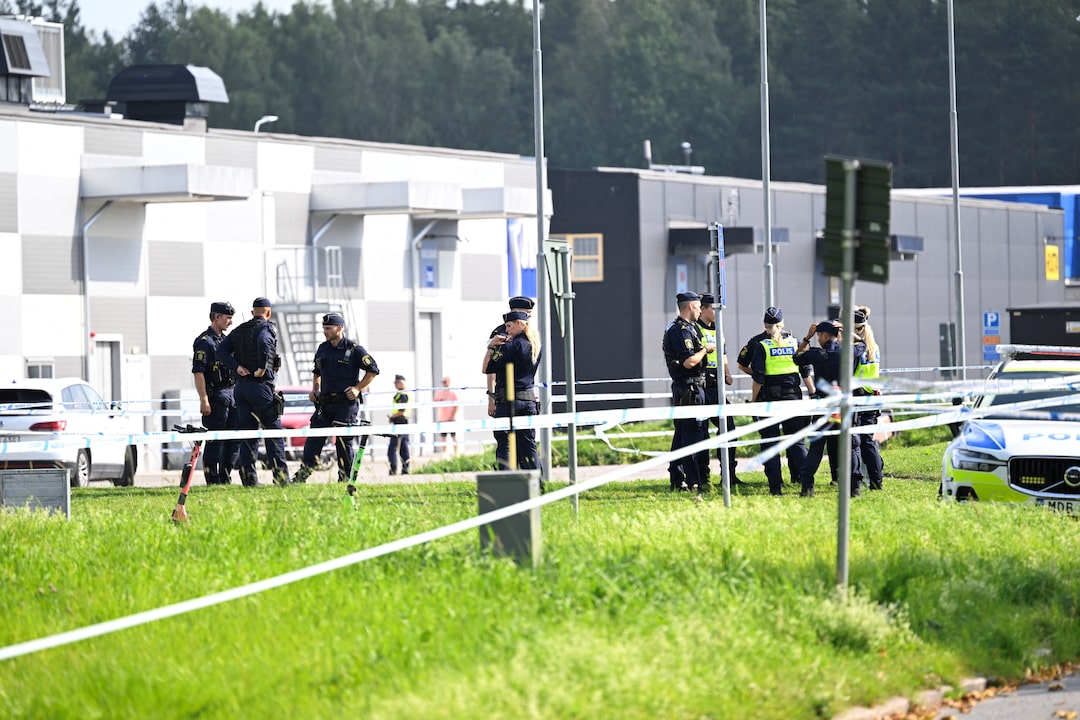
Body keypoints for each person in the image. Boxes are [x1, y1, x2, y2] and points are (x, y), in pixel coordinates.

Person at [290, 313, 380, 484]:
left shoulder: (354, 349)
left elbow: (373, 370)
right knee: (314, 439)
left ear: (339, 328)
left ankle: (345, 479)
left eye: (328, 328)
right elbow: (317, 372)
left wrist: (358, 388)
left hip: (345, 404)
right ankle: (302, 477)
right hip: (325, 403)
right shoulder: (323, 348)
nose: (325, 331)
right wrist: (315, 390)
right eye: (324, 328)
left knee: (344, 442)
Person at [216, 297, 289, 487]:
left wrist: (236, 366)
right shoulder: (267, 328)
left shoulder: (239, 329)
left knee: (248, 435)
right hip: (260, 386)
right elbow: (264, 342)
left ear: (252, 312)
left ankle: (249, 480)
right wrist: (263, 368)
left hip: (240, 388)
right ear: (268, 313)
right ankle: (281, 479)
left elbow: (221, 351)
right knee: (273, 431)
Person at [793, 320, 865, 497]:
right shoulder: (848, 351)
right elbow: (863, 344)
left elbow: (797, 358)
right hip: (843, 406)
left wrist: (807, 338)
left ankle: (807, 486)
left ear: (824, 335)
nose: (817, 339)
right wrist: (847, 331)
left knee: (817, 447)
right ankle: (854, 487)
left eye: (818, 336)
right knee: (851, 446)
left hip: (824, 406)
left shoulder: (817, 354)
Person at [746, 306, 809, 495]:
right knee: (796, 441)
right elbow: (805, 371)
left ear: (765, 324)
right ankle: (807, 485)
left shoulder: (762, 345)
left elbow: (758, 378)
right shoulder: (794, 342)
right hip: (793, 397)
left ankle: (775, 488)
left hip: (770, 400)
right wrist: (813, 393)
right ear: (782, 324)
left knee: (770, 442)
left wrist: (754, 400)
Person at [663, 291, 712, 492]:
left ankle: (678, 478)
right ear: (691, 306)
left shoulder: (690, 328)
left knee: (683, 434)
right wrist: (705, 350)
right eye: (699, 306)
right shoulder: (680, 330)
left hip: (692, 387)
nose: (700, 310)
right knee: (692, 434)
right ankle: (693, 481)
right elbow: (689, 361)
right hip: (689, 388)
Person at [483, 310, 542, 471]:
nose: (507, 330)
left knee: (506, 446)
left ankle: (507, 483)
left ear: (519, 323)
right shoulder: (535, 344)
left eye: (509, 326)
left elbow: (486, 368)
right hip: (528, 401)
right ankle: (537, 483)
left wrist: (492, 346)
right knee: (528, 446)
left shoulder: (512, 346)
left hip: (509, 402)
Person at [696, 293, 744, 486]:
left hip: (717, 385)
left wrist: (727, 373)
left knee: (729, 428)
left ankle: (729, 475)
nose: (717, 313)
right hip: (701, 385)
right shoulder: (695, 329)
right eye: (714, 309)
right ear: (703, 309)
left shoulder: (718, 329)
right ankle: (702, 477)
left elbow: (722, 353)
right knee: (701, 433)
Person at [191, 301, 240, 485]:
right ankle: (213, 479)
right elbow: (198, 372)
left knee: (233, 440)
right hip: (216, 396)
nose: (230, 322)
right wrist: (204, 399)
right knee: (215, 441)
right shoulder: (205, 342)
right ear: (216, 317)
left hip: (232, 394)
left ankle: (225, 477)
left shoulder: (226, 341)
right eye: (228, 318)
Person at [852, 306, 885, 490]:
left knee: (860, 441)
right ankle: (876, 477)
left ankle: (870, 479)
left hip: (859, 397)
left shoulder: (857, 350)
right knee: (868, 441)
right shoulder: (874, 347)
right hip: (872, 397)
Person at [487, 296, 534, 419]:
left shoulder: (528, 334)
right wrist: (492, 397)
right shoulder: (502, 334)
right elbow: (491, 369)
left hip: (523, 396)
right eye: (527, 313)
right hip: (506, 397)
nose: (530, 316)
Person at [388, 374, 411, 475]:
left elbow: (401, 411)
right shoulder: (400, 394)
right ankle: (405, 469)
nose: (395, 384)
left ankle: (393, 468)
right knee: (403, 447)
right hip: (402, 422)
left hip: (400, 422)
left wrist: (392, 417)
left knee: (393, 448)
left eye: (397, 382)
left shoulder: (402, 395)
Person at [433, 376, 460, 453]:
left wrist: (453, 415)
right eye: (443, 382)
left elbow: (457, 405)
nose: (444, 384)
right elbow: (434, 402)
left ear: (449, 382)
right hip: (442, 418)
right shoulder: (439, 393)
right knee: (443, 437)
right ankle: (444, 453)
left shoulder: (453, 393)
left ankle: (456, 453)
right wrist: (439, 401)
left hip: (451, 419)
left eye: (445, 382)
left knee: (453, 436)